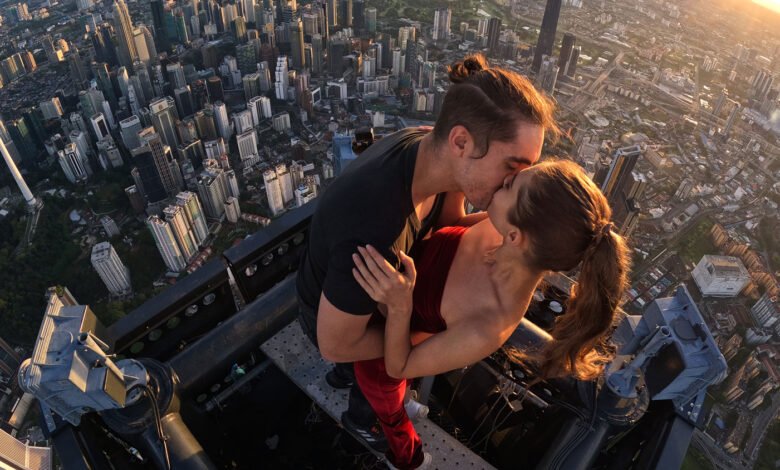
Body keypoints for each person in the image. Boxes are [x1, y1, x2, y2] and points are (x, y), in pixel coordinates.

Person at [295, 53, 558, 449]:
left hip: (360, 294)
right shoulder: (376, 230)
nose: (514, 183)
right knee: (377, 364)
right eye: (512, 167)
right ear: (461, 141)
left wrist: (521, 240)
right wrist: (415, 329)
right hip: (334, 319)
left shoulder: (436, 153)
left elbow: (446, 222)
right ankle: (364, 422)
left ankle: (345, 377)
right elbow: (336, 343)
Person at [351, 160, 631, 469]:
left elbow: (399, 364)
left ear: (515, 237)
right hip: (389, 310)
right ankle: (405, 401)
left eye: (510, 186)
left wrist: (400, 304)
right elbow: (450, 225)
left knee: (390, 415)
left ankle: (409, 459)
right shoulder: (499, 227)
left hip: (383, 356)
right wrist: (458, 179)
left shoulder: (488, 323)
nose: (505, 179)